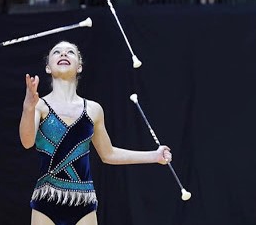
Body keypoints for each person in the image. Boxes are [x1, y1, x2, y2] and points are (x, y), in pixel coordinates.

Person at [19, 41, 172, 225]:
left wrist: (154, 156)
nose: (63, 55)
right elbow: (27, 142)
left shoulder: (93, 109)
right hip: (47, 199)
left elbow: (109, 154)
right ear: (48, 68)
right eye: (57, 52)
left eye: (70, 52)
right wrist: (28, 108)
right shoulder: (39, 106)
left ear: (80, 66)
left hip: (83, 201)